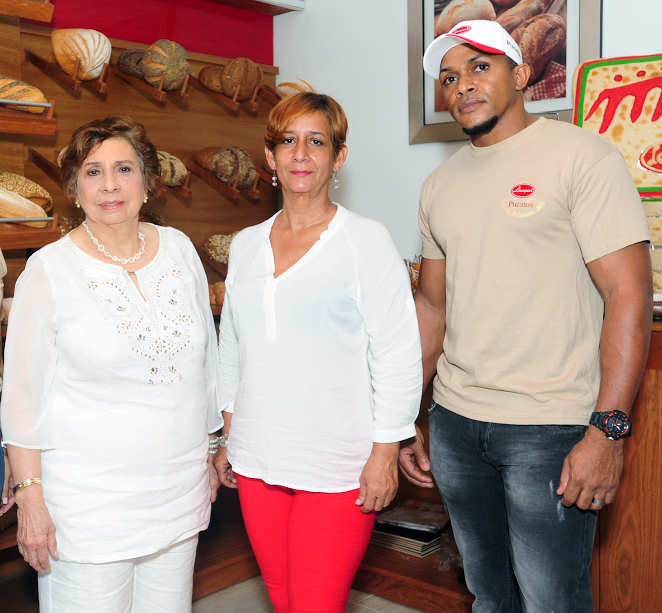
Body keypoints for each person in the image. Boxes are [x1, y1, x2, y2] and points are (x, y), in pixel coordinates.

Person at [399, 20, 652, 613]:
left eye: (479, 68)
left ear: (521, 74)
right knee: (489, 596)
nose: (462, 85)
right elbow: (432, 308)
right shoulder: (439, 184)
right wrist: (405, 413)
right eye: (450, 76)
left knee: (552, 602)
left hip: (551, 427)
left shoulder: (583, 157)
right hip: (458, 424)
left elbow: (629, 298)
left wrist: (608, 432)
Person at [0, 115, 227, 613]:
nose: (109, 185)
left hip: (177, 492)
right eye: (92, 171)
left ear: (147, 179)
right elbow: (21, 397)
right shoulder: (49, 270)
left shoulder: (181, 251)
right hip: (87, 508)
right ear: (74, 187)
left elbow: (205, 365)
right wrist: (30, 500)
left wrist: (213, 446)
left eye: (123, 168)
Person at [214, 92, 422, 613]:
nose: (300, 154)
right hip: (257, 458)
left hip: (339, 464)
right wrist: (227, 434)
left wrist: (384, 454)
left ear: (339, 156)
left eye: (316, 141)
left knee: (315, 604)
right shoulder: (245, 244)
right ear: (270, 157)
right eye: (288, 141)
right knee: (284, 600)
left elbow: (397, 353)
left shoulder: (366, 242)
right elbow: (233, 344)